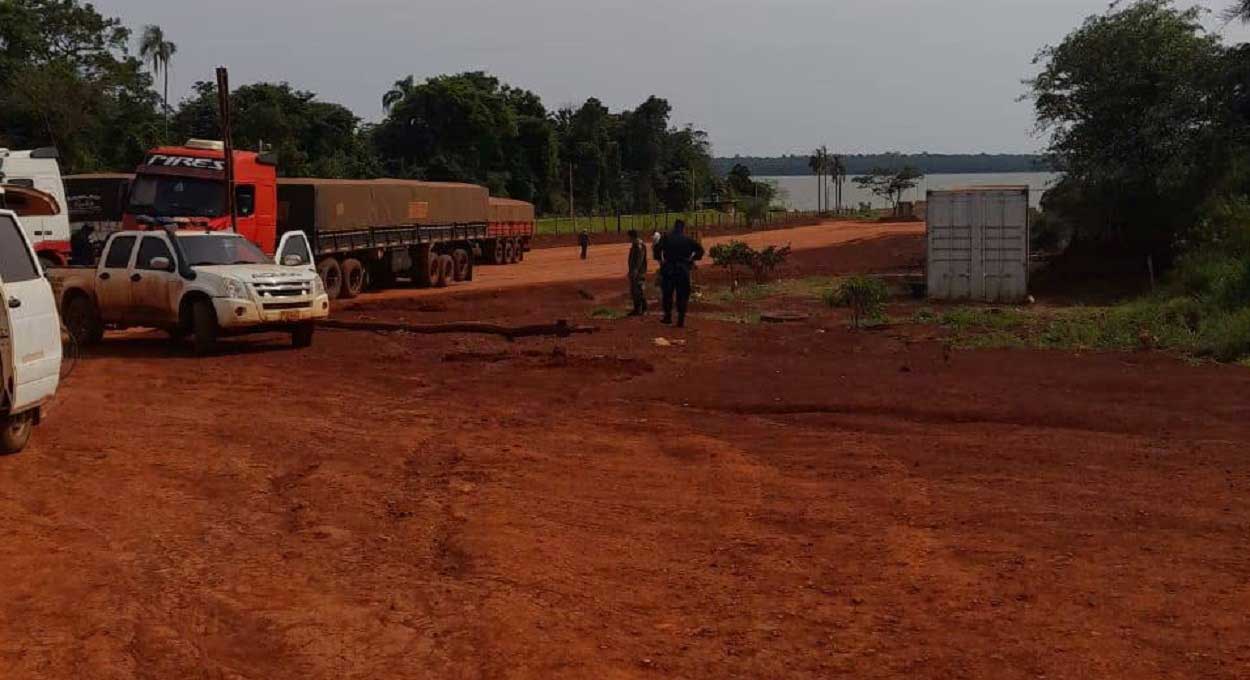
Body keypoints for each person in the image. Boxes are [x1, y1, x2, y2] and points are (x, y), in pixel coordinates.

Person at [653, 219, 704, 327]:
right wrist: (692, 259)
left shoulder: (666, 238)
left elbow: (657, 249)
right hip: (683, 268)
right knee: (683, 295)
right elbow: (700, 250)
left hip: (669, 268)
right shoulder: (687, 239)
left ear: (674, 227)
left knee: (667, 294)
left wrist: (661, 261)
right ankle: (681, 319)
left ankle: (668, 317)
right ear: (683, 228)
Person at [626, 229, 648, 316]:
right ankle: (637, 309)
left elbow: (639, 259)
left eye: (629, 237)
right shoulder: (636, 244)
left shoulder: (638, 245)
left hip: (638, 272)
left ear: (632, 236)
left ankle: (642, 309)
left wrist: (635, 270)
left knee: (638, 290)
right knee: (635, 291)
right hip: (635, 271)